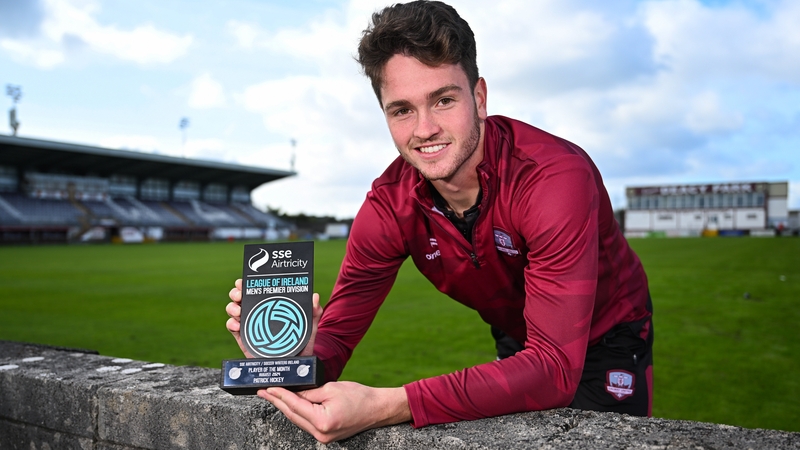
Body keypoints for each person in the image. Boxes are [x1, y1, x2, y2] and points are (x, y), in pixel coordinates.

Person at [226, 0, 653, 443]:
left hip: (610, 335)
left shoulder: (552, 178)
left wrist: (389, 405)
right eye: (402, 110)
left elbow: (554, 369)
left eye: (444, 100)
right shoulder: (388, 205)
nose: (424, 129)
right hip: (520, 334)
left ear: (479, 98)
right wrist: (288, 356)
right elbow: (335, 340)